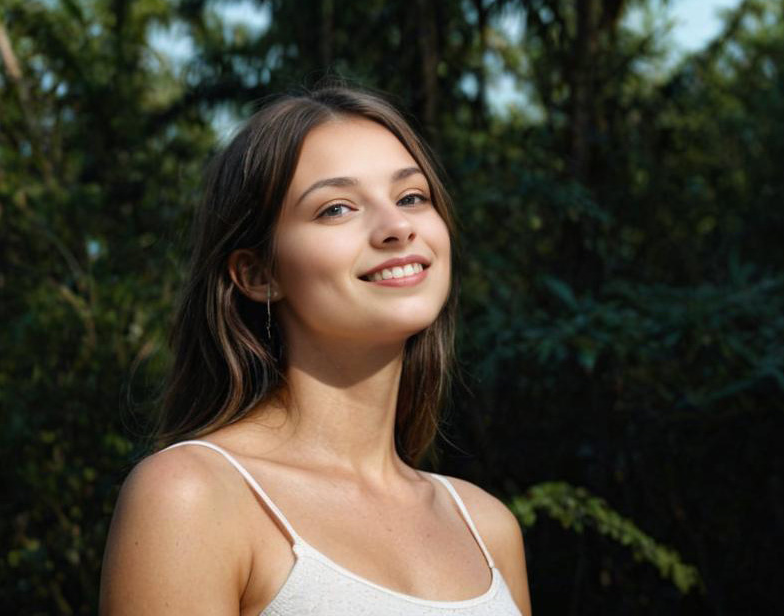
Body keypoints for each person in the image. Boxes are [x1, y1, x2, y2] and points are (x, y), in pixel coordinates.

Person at [99, 85, 531, 615]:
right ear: (258, 274)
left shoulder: (488, 528)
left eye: (411, 197)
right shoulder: (192, 496)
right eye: (337, 208)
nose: (397, 227)